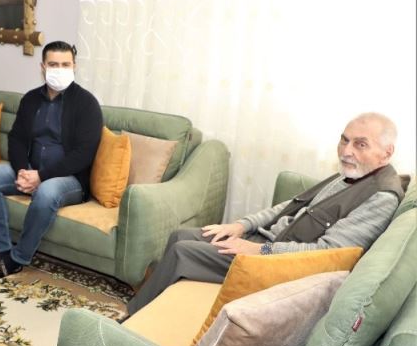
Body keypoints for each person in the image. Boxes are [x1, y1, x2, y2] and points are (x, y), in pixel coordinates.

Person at [126, 112, 404, 316]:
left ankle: (130, 320)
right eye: (344, 140)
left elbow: (327, 255)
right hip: (267, 242)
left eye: (360, 144)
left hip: (276, 263)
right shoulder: (352, 174)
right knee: (180, 235)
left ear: (386, 152)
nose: (346, 151)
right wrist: (240, 225)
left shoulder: (380, 196)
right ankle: (152, 306)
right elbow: (291, 205)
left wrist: (260, 250)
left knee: (183, 252)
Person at [0, 41, 103, 279]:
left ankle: (17, 259)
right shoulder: (31, 99)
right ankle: (0, 250)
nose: (59, 69)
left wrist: (41, 177)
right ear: (43, 67)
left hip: (70, 180)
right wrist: (23, 171)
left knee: (46, 191)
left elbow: (83, 154)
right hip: (32, 169)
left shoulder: (87, 104)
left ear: (75, 66)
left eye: (65, 64)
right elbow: (16, 139)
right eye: (53, 64)